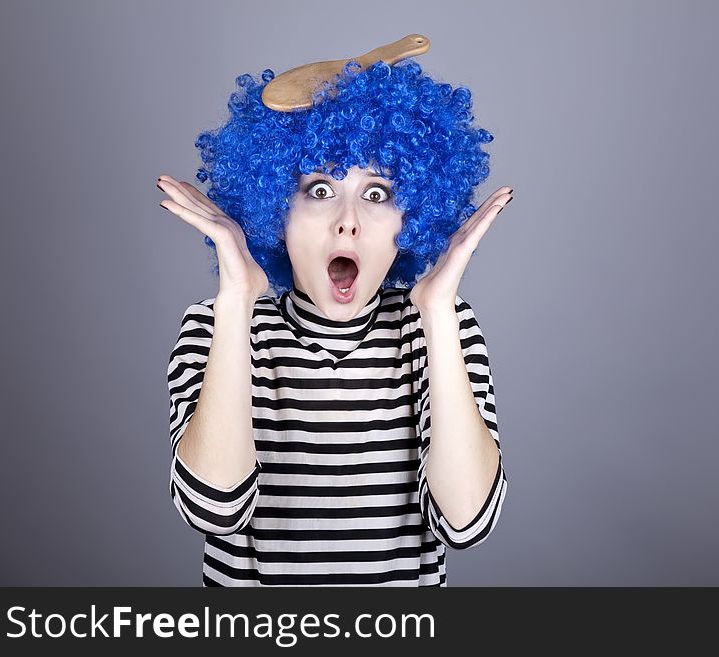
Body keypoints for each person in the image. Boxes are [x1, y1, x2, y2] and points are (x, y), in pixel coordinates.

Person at [159, 55, 512, 586]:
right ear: (276, 209)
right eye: (319, 190)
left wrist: (437, 313)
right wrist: (237, 299)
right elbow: (214, 510)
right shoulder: (218, 327)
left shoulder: (441, 330)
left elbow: (466, 524)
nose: (348, 222)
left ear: (411, 218)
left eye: (377, 194)